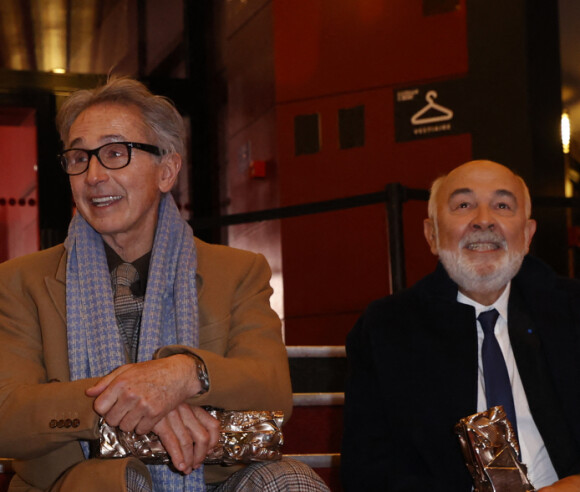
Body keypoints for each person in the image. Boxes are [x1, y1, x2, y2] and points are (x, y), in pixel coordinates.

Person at [0, 78, 329, 492]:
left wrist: (184, 374)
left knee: (292, 482)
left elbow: (272, 389)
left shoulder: (238, 270)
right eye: (79, 157)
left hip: (208, 479)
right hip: (80, 483)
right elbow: (6, 413)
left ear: (167, 170)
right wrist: (125, 402)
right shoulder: (20, 281)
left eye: (116, 153)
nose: (94, 175)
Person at [341, 159, 580, 491]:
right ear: (432, 235)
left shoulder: (572, 311)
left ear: (527, 236)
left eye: (502, 205)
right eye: (464, 205)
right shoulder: (387, 329)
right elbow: (368, 472)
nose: (483, 220)